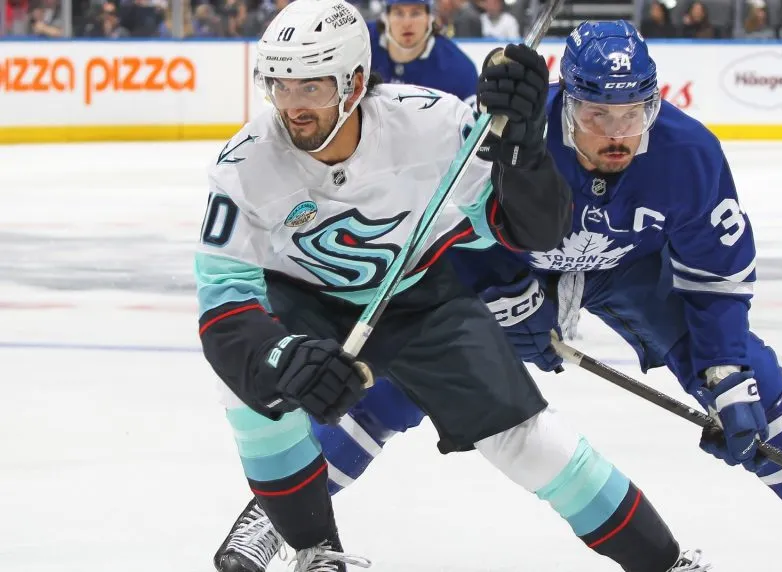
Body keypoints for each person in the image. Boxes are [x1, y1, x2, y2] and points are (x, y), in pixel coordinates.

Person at [214, 17, 782, 572]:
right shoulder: (517, 130)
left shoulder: (689, 155)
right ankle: (278, 517)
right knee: (396, 376)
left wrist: (723, 369)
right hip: (509, 262)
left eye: (634, 114)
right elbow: (450, 226)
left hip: (628, 270)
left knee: (750, 381)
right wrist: (508, 293)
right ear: (564, 102)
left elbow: (716, 276)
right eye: (599, 115)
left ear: (656, 103)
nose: (617, 133)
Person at [200, 2, 706, 572]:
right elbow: (223, 306)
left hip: (418, 297)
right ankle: (314, 550)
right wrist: (279, 355)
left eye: (312, 87)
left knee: (528, 439)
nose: (292, 107)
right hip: (300, 299)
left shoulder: (430, 126)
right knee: (251, 383)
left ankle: (663, 562)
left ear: (357, 82)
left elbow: (536, 230)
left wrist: (523, 151)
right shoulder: (244, 162)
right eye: (280, 86)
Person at [369, 0, 478, 103]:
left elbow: (476, 121)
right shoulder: (361, 42)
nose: (407, 23)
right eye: (398, 13)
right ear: (386, 17)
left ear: (430, 17)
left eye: (416, 13)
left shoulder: (459, 70)